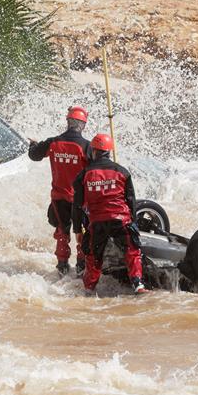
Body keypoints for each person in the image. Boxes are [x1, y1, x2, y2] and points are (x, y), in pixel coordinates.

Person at [72, 133, 148, 294]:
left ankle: (89, 289)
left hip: (97, 223)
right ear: (109, 151)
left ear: (93, 151)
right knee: (132, 251)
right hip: (121, 220)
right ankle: (138, 285)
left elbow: (77, 206)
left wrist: (78, 230)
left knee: (93, 257)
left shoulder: (83, 175)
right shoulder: (122, 172)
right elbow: (131, 201)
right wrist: (133, 224)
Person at [28, 106, 91, 275]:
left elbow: (34, 155)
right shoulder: (86, 146)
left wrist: (33, 144)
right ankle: (81, 266)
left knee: (62, 231)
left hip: (58, 197)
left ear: (68, 122)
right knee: (81, 232)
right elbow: (97, 170)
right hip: (79, 199)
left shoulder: (53, 142)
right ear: (83, 125)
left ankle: (62, 266)